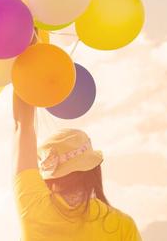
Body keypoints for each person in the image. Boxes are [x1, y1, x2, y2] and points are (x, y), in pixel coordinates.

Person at [12, 92, 142, 240]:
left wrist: (24, 78)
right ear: (93, 169)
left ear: (51, 176)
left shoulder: (33, 205)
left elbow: (22, 127)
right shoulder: (122, 225)